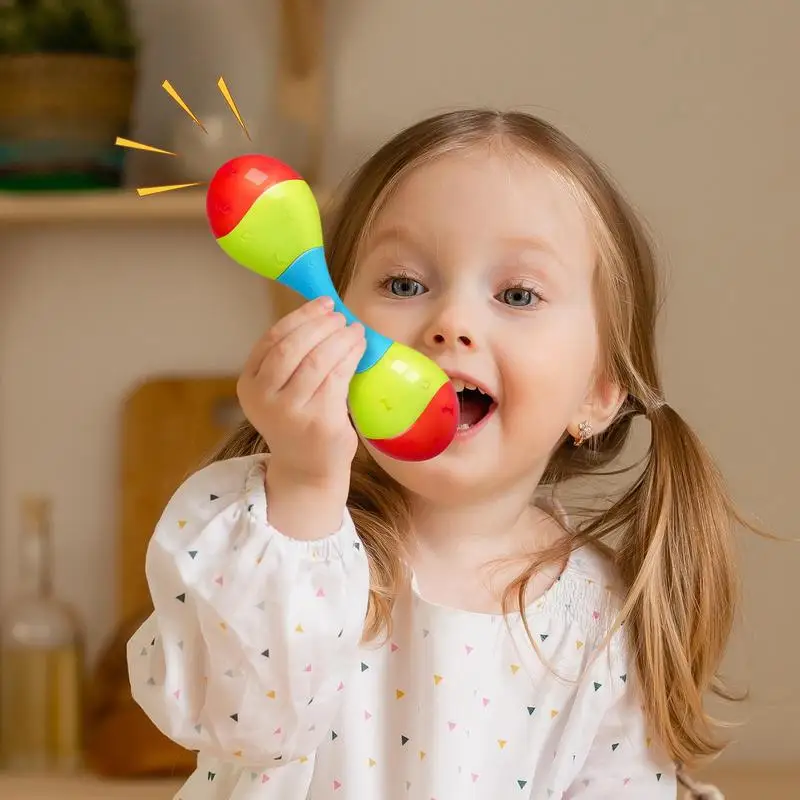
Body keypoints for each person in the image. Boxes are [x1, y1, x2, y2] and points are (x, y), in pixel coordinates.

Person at [128, 110, 742, 799]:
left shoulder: (602, 621)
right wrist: (302, 483)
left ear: (598, 394)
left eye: (516, 294)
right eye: (404, 285)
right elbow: (246, 727)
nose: (450, 324)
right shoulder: (268, 539)